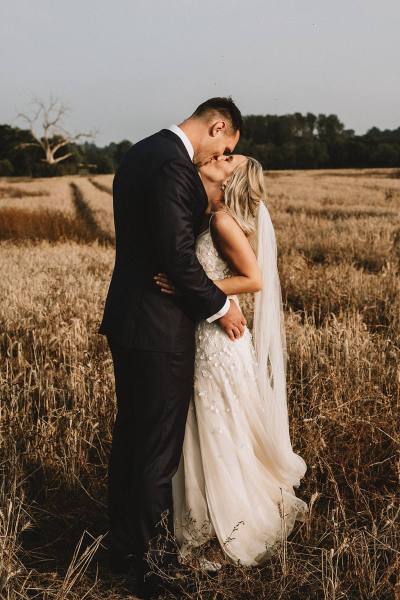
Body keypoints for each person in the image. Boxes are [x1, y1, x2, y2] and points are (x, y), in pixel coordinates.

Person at [98, 97, 246, 598]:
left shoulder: (139, 153)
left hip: (129, 320)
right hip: (158, 329)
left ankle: (120, 549)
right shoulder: (173, 166)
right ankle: (148, 569)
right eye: (224, 147)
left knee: (133, 439)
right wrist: (222, 309)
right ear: (218, 125)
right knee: (157, 451)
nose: (219, 159)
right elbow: (178, 261)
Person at [154, 155, 308, 566]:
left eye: (228, 159)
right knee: (205, 424)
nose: (219, 158)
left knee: (218, 426)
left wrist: (192, 288)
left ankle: (230, 525)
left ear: (233, 177)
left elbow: (253, 279)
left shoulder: (223, 221)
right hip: (206, 334)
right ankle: (201, 515)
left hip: (220, 338)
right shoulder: (210, 215)